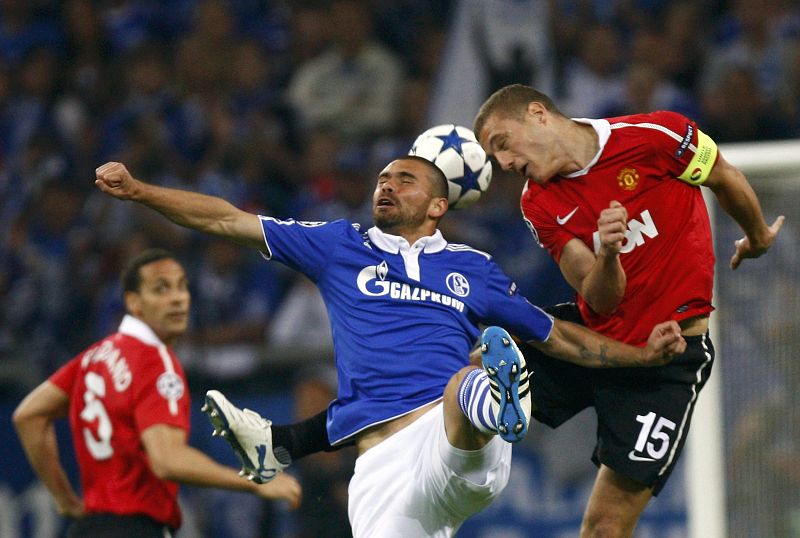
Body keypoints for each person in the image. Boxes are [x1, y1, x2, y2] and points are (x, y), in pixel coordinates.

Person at [93, 156, 686, 537]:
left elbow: (557, 336)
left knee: (468, 379)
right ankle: (492, 391)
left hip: (453, 439)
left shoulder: (471, 268)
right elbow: (226, 220)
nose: (386, 185)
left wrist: (639, 358)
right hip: (379, 469)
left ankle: (495, 397)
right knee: (472, 379)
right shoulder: (337, 246)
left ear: (437, 206)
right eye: (382, 178)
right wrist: (142, 190)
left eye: (404, 179)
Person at [472, 83, 785, 537]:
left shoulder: (657, 135)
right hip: (595, 339)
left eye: (502, 144)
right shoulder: (538, 202)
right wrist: (608, 254)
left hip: (667, 360)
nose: (503, 163)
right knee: (468, 373)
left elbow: (724, 177)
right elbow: (599, 298)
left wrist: (756, 235)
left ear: (538, 114)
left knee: (604, 528)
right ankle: (442, 488)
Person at [12, 248, 301, 538]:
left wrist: (64, 499)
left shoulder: (94, 357)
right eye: (161, 289)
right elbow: (167, 460)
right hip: (136, 528)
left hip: (89, 528)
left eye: (181, 287)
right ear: (134, 303)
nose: (177, 298)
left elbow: (29, 416)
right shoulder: (155, 362)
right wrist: (255, 481)